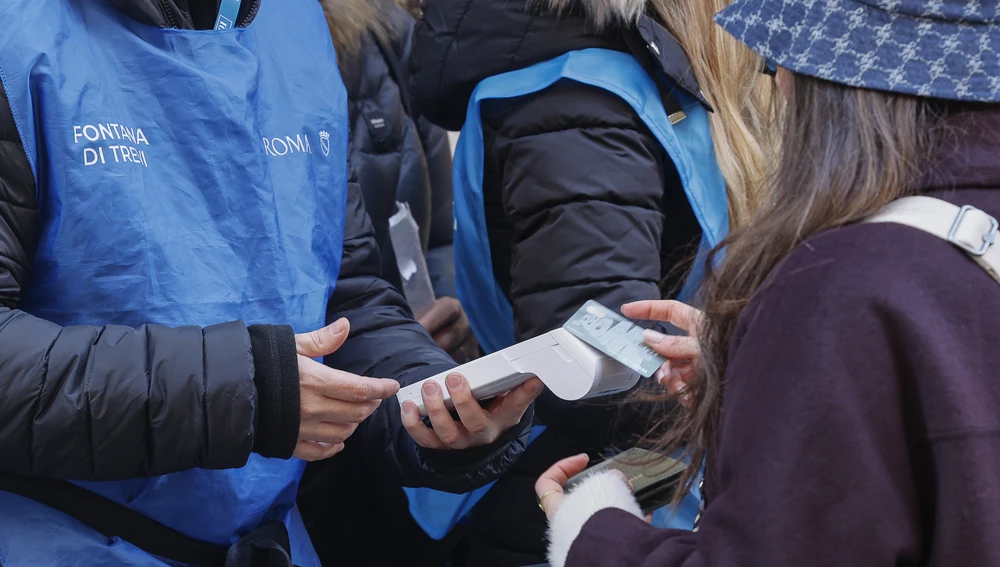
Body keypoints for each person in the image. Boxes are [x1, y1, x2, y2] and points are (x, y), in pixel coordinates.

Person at [0, 1, 541, 565]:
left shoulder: (296, 22)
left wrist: (431, 402)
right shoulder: (19, 32)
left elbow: (342, 290)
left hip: (272, 541)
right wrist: (248, 390)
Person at [536, 1, 1000, 565]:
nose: (776, 81)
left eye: (777, 60)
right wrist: (764, 372)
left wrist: (593, 534)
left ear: (834, 79)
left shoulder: (836, 287)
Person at [408, 0, 776, 562]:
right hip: (596, 507)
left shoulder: (615, 70)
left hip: (631, 496)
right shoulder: (576, 98)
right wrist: (777, 389)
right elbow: (597, 363)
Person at [316, 0, 478, 362]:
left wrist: (452, 316)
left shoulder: (385, 29)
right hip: (275, 386)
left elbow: (440, 234)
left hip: (401, 368)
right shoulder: (201, 44)